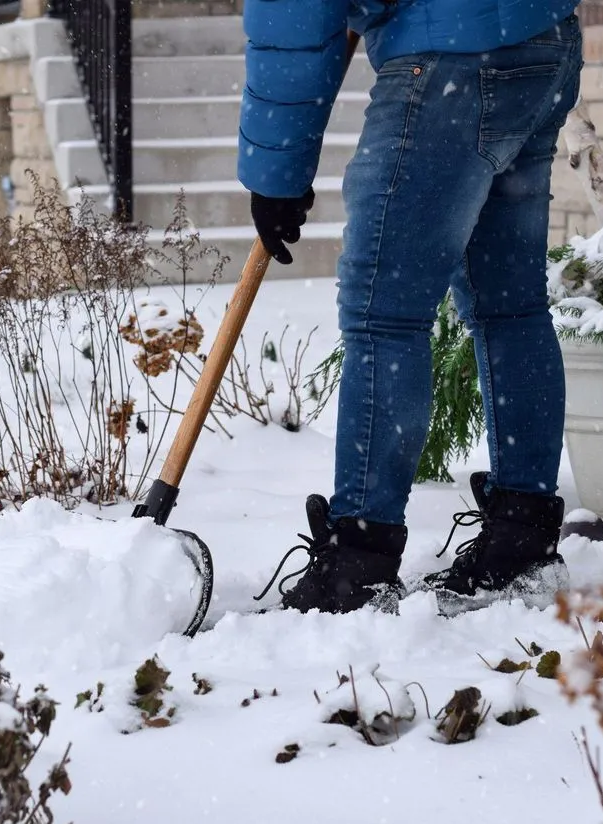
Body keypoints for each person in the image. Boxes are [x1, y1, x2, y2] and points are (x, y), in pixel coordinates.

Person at [239, 0, 583, 616]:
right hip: (543, 38)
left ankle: (357, 563)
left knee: (384, 314)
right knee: (511, 306)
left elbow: (292, 17)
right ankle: (521, 537)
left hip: (448, 53)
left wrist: (278, 173)